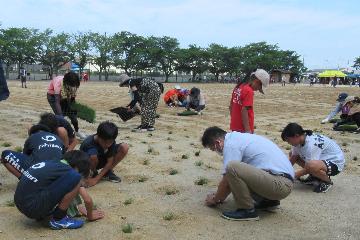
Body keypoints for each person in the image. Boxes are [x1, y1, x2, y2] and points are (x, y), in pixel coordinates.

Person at [202, 126, 294, 221]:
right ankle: (268, 202)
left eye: (213, 149)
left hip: (280, 184)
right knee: (237, 169)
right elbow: (233, 180)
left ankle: (247, 210)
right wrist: (220, 195)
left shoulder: (231, 145)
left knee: (232, 166)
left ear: (218, 143)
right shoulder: (240, 139)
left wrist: (215, 199)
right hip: (282, 183)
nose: (216, 152)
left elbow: (227, 179)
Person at [14, 150, 102, 230]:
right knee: (76, 178)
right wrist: (90, 216)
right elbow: (87, 200)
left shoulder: (54, 163)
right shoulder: (71, 172)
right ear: (77, 167)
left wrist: (77, 207)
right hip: (33, 207)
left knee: (69, 181)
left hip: (20, 203)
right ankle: (59, 219)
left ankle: (44, 214)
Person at [281, 123, 345, 193]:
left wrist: (291, 177)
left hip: (335, 163)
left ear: (296, 136)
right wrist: (283, 172)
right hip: (323, 161)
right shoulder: (299, 141)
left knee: (311, 165)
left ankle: (327, 182)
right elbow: (294, 157)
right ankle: (315, 177)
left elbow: (308, 168)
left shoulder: (311, 144)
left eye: (288, 140)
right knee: (292, 154)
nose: (288, 143)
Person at [80, 121, 128, 186]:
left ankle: (107, 172)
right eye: (104, 142)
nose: (107, 145)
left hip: (102, 158)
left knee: (124, 147)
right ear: (98, 136)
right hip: (87, 164)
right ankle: (93, 173)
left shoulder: (109, 139)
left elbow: (110, 161)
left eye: (110, 142)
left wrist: (97, 179)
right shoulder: (88, 143)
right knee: (93, 156)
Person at [47, 72, 86, 140]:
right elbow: (57, 102)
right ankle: (62, 134)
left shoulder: (73, 84)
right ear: (67, 84)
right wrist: (61, 116)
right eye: (72, 85)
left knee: (73, 115)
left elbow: (72, 99)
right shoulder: (58, 85)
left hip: (65, 95)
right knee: (60, 117)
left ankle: (77, 131)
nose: (74, 87)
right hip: (53, 97)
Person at [229, 69, 270, 133]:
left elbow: (231, 106)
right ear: (256, 81)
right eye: (259, 88)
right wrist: (247, 130)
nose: (257, 90)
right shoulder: (249, 91)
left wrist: (234, 120)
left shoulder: (238, 87)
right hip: (244, 129)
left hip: (235, 126)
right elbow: (244, 110)